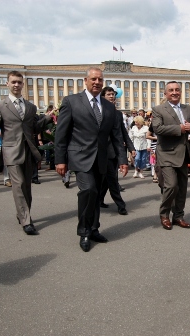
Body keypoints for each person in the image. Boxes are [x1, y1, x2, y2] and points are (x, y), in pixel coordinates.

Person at [55, 67, 128, 252]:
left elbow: (117, 136)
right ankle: (84, 231)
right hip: (79, 156)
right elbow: (61, 133)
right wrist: (59, 160)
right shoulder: (71, 102)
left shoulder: (109, 106)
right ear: (85, 80)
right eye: (94, 79)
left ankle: (94, 228)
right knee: (88, 190)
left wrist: (122, 159)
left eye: (100, 80)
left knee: (95, 195)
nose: (97, 82)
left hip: (101, 158)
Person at [0, 71, 53, 234]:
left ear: (23, 84)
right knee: (19, 184)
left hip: (28, 151)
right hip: (11, 151)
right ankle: (26, 221)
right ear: (7, 84)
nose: (16, 85)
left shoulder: (30, 107)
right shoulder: (0, 106)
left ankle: (21, 214)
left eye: (19, 82)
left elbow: (34, 129)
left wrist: (48, 118)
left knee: (27, 187)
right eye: (13, 82)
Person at [152, 81, 190, 230]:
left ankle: (178, 216)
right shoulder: (159, 109)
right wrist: (180, 128)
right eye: (171, 90)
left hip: (184, 153)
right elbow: (157, 129)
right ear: (166, 94)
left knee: (182, 187)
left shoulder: (188, 109)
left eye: (177, 89)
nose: (174, 92)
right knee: (171, 185)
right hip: (166, 153)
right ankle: (164, 215)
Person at [99, 85, 134, 215]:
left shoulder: (118, 114)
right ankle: (120, 204)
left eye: (113, 94)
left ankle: (104, 201)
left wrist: (131, 148)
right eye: (109, 94)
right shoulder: (98, 111)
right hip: (100, 151)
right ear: (102, 97)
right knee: (109, 179)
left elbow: (123, 133)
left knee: (110, 178)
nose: (112, 96)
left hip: (114, 151)